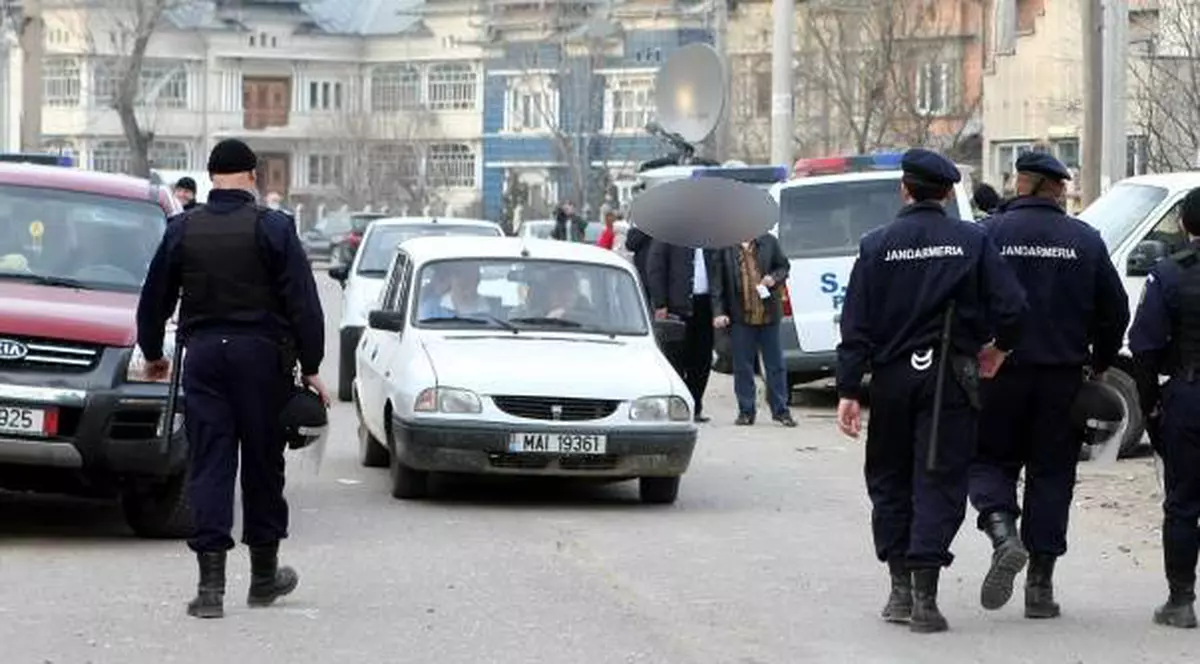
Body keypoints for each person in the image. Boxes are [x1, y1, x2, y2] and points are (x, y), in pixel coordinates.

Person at [835, 148, 1028, 634]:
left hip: (893, 379)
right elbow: (1014, 306)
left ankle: (899, 589)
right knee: (938, 479)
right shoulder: (971, 241)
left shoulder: (876, 245)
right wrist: (999, 349)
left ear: (904, 189)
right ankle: (925, 598)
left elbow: (855, 323)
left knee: (890, 478)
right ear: (946, 194)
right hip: (950, 380)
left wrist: (848, 390)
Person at [135, 139, 328, 620]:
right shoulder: (274, 228)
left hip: (204, 360)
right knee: (263, 464)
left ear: (210, 176)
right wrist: (313, 366)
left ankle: (210, 591)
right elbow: (303, 303)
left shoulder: (183, 228)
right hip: (262, 361)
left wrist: (155, 353)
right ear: (252, 175)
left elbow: (154, 296)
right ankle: (264, 578)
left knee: (210, 465)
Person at [967, 152, 1130, 620]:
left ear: (1019, 184)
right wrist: (1099, 363)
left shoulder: (987, 235)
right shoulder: (1085, 240)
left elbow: (966, 301)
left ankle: (1002, 532)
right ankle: (1040, 586)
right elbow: (1114, 310)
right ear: (1055, 189)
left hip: (997, 373)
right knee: (1052, 474)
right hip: (1062, 378)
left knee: (988, 460)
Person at [1129, 186, 1200, 630]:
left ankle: (1181, 601)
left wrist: (1151, 403)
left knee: (1184, 503)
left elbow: (1144, 348)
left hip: (1190, 395)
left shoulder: (1169, 274)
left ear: (1185, 225)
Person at [710, 232, 796, 427]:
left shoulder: (768, 242)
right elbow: (717, 285)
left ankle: (781, 410)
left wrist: (774, 278)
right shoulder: (725, 246)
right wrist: (718, 312)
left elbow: (784, 266)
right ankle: (746, 411)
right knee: (742, 366)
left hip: (768, 314)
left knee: (775, 365)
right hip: (741, 316)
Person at [648, 241, 715, 423]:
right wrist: (660, 303)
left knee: (702, 359)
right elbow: (656, 268)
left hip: (705, 305)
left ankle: (695, 405)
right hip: (676, 307)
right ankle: (677, 406)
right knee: (676, 358)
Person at [418, 263, 491, 319]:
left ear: (477, 281)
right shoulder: (431, 307)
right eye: (458, 275)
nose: (463, 280)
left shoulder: (493, 311)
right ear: (451, 279)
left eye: (470, 278)